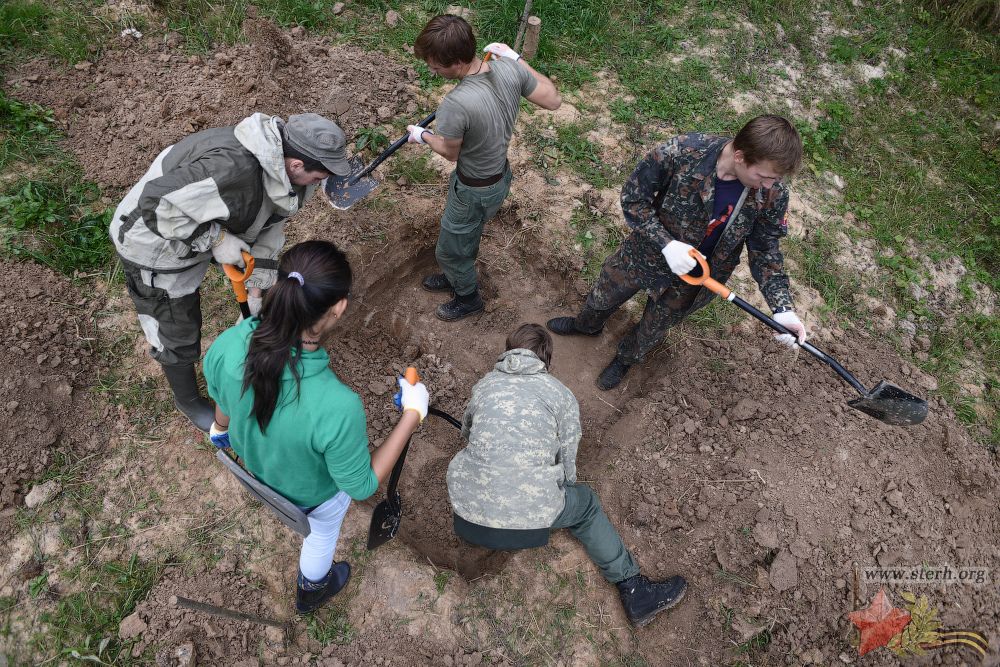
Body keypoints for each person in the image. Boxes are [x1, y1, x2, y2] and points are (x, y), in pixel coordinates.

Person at [203, 240, 429, 614]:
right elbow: (360, 485)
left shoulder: (229, 344)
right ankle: (311, 589)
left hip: (258, 469)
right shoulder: (337, 407)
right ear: (339, 308)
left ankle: (312, 587)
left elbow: (223, 400)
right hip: (309, 495)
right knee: (322, 532)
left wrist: (220, 429)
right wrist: (412, 413)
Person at [110, 112, 353, 431]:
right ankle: (187, 400)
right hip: (154, 242)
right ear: (296, 165)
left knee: (215, 280)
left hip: (199, 221)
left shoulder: (288, 171)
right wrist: (216, 239)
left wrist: (255, 293)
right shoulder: (231, 169)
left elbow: (271, 222)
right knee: (176, 325)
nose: (323, 183)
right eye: (320, 176)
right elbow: (155, 203)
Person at [447, 323, 687, 627]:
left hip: (465, 520)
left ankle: (487, 523)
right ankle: (633, 588)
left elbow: (466, 433)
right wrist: (555, 490)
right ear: (547, 359)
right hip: (527, 526)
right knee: (585, 506)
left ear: (507, 352)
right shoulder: (560, 394)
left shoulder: (484, 386)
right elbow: (568, 463)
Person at [547, 114, 809, 390]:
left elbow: (766, 249)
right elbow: (634, 199)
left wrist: (783, 309)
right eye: (764, 177)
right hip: (644, 255)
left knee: (654, 327)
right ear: (741, 157)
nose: (768, 185)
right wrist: (666, 243)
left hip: (696, 280)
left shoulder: (772, 193)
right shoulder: (682, 152)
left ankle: (625, 359)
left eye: (774, 179)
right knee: (604, 295)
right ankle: (587, 325)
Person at [407, 14, 561, 321]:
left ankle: (467, 298)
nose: (431, 69)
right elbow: (553, 99)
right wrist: (516, 58)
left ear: (455, 62)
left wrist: (422, 135)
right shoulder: (508, 68)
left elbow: (450, 153)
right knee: (466, 235)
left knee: (449, 250)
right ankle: (456, 274)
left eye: (434, 64)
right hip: (499, 177)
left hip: (473, 190)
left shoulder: (456, 104)